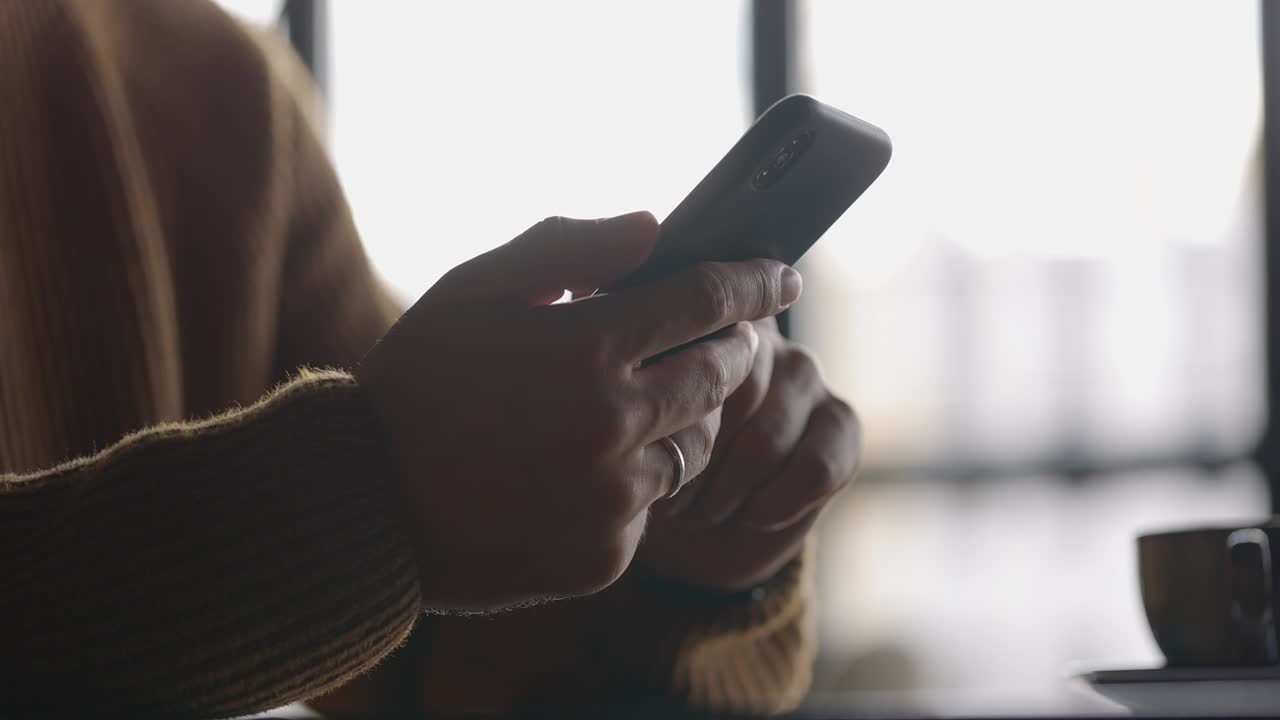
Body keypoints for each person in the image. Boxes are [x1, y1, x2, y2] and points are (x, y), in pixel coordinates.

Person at [0, 0, 862, 716]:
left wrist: (673, 578)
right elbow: (402, 497)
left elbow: (449, 663)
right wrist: (370, 499)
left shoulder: (217, 92)